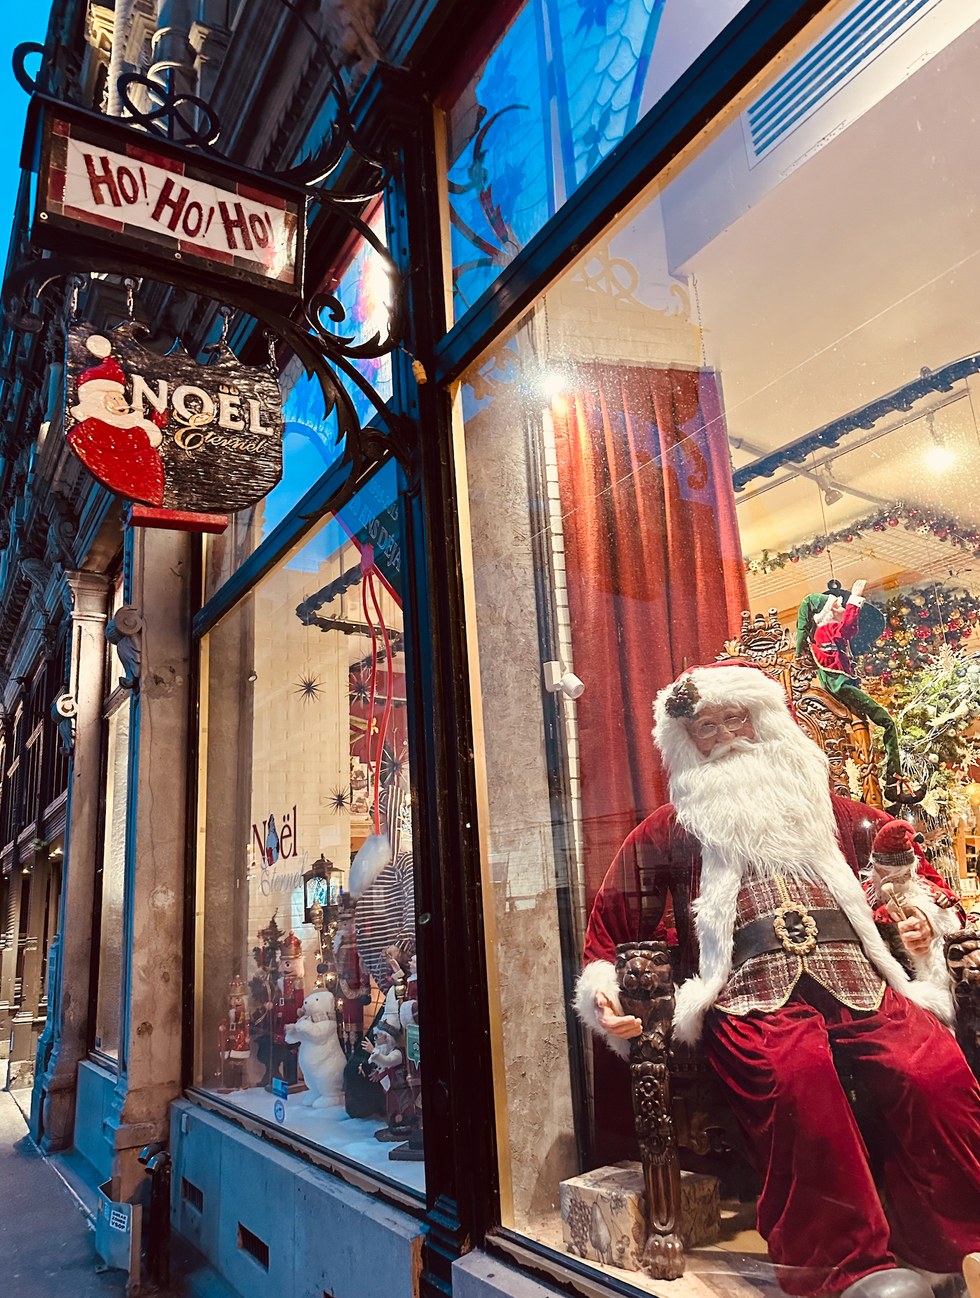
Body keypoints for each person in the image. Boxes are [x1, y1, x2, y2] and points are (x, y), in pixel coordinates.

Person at [575, 662, 980, 1298]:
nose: (728, 735)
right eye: (708, 726)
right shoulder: (670, 828)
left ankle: (959, 1249)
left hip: (859, 975)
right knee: (798, 1080)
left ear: (763, 721)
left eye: (737, 718)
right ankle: (848, 1270)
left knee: (931, 1071)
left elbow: (908, 874)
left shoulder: (832, 810)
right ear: (689, 742)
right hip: (748, 992)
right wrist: (607, 991)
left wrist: (919, 916)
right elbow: (611, 922)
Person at [67, 334, 166, 505]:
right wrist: (149, 429)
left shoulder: (125, 423)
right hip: (133, 485)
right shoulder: (91, 428)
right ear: (96, 402)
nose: (121, 403)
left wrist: (154, 421)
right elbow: (130, 439)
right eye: (114, 399)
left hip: (145, 487)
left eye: (121, 398)